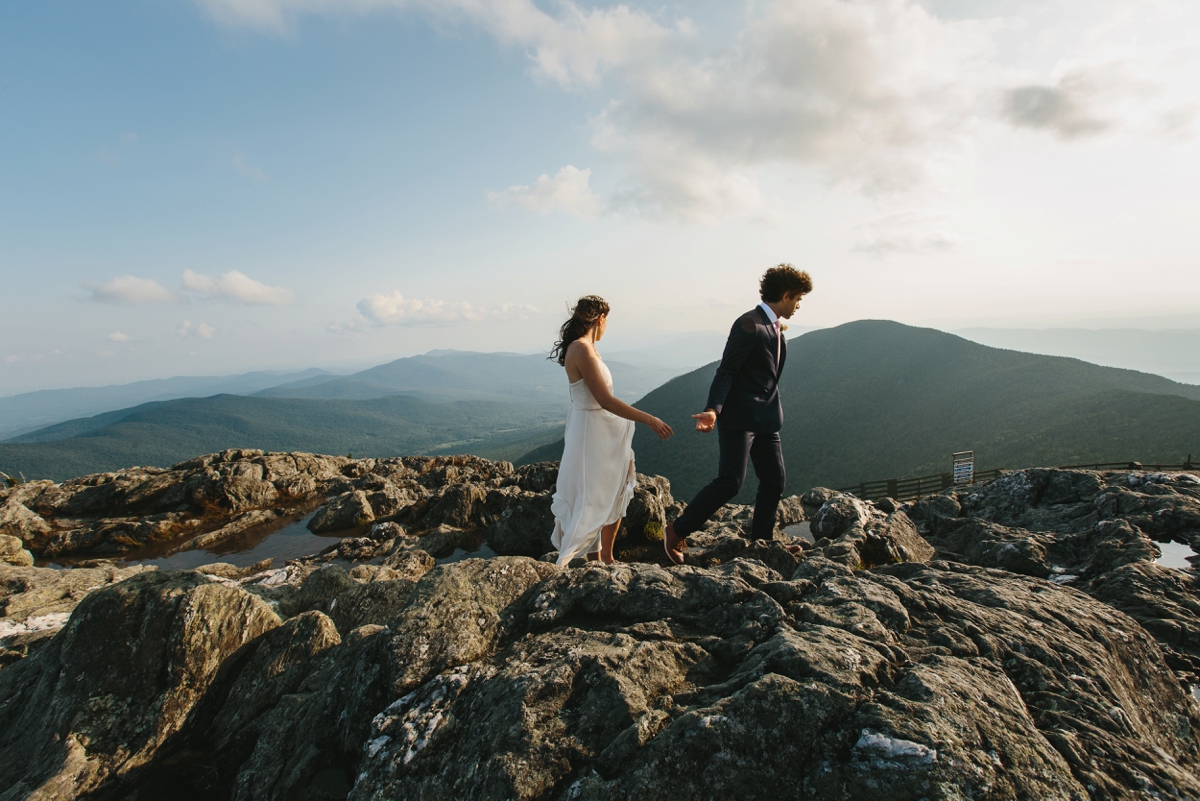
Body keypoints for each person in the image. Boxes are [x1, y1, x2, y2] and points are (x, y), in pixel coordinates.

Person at [663, 265, 813, 564]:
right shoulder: (749, 323)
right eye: (798, 298)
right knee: (730, 481)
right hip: (739, 418)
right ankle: (676, 530)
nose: (799, 305)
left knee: (774, 480)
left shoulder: (774, 327)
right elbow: (727, 370)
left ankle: (762, 542)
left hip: (767, 418)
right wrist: (712, 409)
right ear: (785, 295)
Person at [550, 296, 674, 566]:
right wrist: (648, 418)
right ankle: (592, 557)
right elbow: (604, 400)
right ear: (600, 319)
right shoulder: (582, 349)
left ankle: (604, 557)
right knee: (592, 494)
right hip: (590, 432)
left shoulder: (588, 348)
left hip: (603, 429)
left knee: (614, 488)